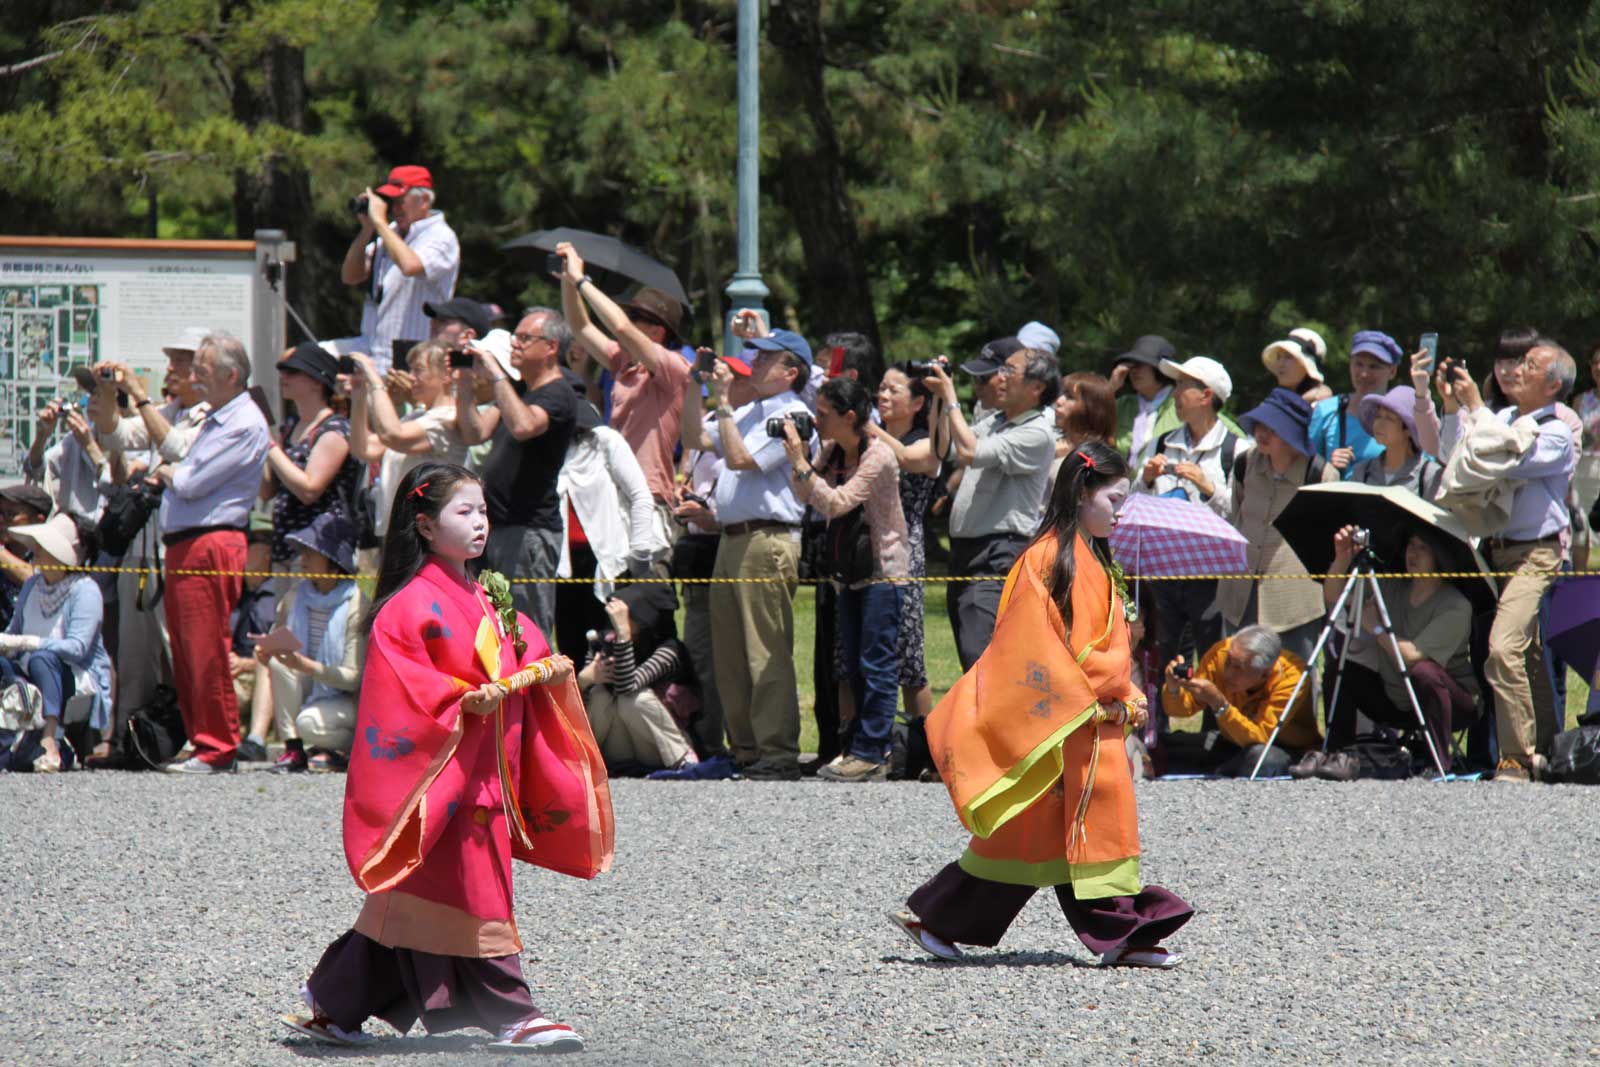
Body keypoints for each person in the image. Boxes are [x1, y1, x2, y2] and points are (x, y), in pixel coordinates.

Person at [284, 462, 610, 1052]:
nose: (481, 523)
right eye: (465, 512)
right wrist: (463, 700)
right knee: (472, 885)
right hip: (444, 770)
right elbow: (403, 689)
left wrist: (544, 667)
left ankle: (334, 1004)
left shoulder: (488, 593)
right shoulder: (407, 606)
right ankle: (513, 1011)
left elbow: (523, 649)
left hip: (484, 764)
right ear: (427, 527)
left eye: (484, 511)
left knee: (410, 899)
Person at [892, 442, 1192, 966]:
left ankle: (941, 919)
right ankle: (1122, 933)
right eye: (1114, 500)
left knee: (1046, 836)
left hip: (1094, 718)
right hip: (1069, 717)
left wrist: (1123, 683)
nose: (1121, 513)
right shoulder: (1047, 557)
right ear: (1081, 493)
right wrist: (1107, 688)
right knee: (1060, 829)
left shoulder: (1093, 554)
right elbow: (1032, 645)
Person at [1437, 342, 1577, 781]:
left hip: (1537, 551)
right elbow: (1453, 453)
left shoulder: (1557, 431)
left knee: (1503, 648)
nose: (1517, 370)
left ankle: (1516, 757)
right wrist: (1452, 407)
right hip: (1495, 551)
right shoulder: (1501, 421)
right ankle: (1551, 754)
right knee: (1529, 655)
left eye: (1530, 366)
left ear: (1553, 384)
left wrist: (1476, 407)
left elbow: (1504, 460)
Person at [679, 329, 814, 780]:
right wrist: (693, 386)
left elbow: (740, 460)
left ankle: (776, 750)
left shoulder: (793, 413)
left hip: (767, 539)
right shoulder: (751, 409)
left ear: (791, 370)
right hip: (732, 538)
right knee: (731, 653)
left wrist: (721, 398)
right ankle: (747, 748)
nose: (754, 363)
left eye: (766, 358)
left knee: (765, 650)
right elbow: (695, 436)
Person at [781, 377, 910, 782]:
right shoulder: (834, 449)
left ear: (849, 416)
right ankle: (857, 747)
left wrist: (802, 464)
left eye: (823, 414)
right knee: (853, 665)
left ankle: (873, 750)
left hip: (882, 573)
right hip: (849, 572)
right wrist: (802, 462)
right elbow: (802, 493)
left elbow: (836, 502)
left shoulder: (879, 456)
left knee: (877, 664)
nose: (816, 420)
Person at [91, 327, 214, 740]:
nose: (173, 368)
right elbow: (115, 436)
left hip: (176, 546)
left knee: (180, 648)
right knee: (134, 649)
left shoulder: (210, 415)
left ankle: (196, 736)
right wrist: (108, 392)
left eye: (182, 360)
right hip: (140, 549)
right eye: (174, 360)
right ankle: (130, 738)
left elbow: (178, 448)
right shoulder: (171, 408)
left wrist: (141, 397)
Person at [158, 332, 271, 774]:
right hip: (188, 542)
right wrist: (174, 470)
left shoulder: (244, 423)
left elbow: (188, 482)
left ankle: (218, 744)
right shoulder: (215, 416)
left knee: (206, 646)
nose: (193, 377)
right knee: (186, 649)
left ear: (231, 375)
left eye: (202, 369)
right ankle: (202, 737)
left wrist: (166, 471)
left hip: (211, 542)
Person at [1296, 526, 1477, 780]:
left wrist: (1376, 629)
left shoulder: (1456, 604)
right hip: (1396, 697)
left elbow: (1413, 656)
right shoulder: (1391, 587)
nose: (1413, 553)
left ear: (1439, 555)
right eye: (1411, 545)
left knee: (1423, 671)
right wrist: (1342, 559)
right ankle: (1338, 755)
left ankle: (1438, 763)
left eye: (1423, 547)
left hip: (1449, 703)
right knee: (1341, 668)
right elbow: (1334, 596)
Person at [455, 309, 580, 638]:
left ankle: (537, 692)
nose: (516, 345)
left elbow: (524, 425)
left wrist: (496, 373)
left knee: (526, 635)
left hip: (528, 532)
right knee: (491, 631)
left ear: (551, 347)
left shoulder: (559, 393)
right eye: (515, 338)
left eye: (525, 338)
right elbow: (474, 432)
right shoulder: (520, 392)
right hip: (496, 529)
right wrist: (465, 383)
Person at [559, 243, 689, 556]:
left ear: (657, 332)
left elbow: (619, 325)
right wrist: (566, 279)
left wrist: (581, 280)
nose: (626, 320)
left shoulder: (673, 368)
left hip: (648, 495)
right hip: (611, 491)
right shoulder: (624, 363)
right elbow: (581, 326)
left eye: (636, 317)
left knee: (645, 590)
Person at [934, 347, 1058, 671]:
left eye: (1010, 371)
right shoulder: (997, 422)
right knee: (968, 651)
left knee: (981, 656)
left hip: (997, 552)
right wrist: (937, 400)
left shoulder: (1036, 432)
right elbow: (948, 449)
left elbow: (970, 451)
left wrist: (950, 396)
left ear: (1036, 387)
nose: (1000, 378)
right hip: (966, 551)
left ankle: (999, 722)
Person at [1133, 356, 1247, 673]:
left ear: (1206, 395)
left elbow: (1242, 514)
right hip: (1164, 567)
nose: (1174, 394)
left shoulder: (1237, 450)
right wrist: (1146, 480)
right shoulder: (1158, 443)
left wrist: (1208, 487)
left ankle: (1214, 721)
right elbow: (1133, 504)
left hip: (1213, 570)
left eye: (1182, 385)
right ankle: (1162, 722)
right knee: (1163, 651)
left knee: (1215, 653)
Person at [672, 353, 759, 759]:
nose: (723, 380)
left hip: (725, 544)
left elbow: (749, 497)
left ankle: (745, 740)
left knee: (739, 653)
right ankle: (708, 741)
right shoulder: (714, 425)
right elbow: (691, 437)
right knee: (700, 652)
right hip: (697, 552)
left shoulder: (753, 428)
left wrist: (711, 517)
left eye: (733, 377)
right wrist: (693, 384)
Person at [1216, 387, 1338, 664]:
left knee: (1294, 679)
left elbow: (1327, 539)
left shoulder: (1320, 473)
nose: (1261, 432)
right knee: (1235, 674)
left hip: (1294, 599)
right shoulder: (1244, 463)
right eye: (1259, 424)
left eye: (1272, 427)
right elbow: (1238, 516)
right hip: (1241, 590)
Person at [868, 362, 946, 775]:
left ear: (917, 402)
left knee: (909, 656)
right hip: (866, 549)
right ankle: (866, 745)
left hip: (907, 549)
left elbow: (907, 458)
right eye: (880, 388)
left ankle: (923, 750)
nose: (882, 395)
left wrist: (864, 427)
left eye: (892, 389)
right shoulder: (866, 441)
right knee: (860, 652)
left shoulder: (924, 441)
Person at [248, 514, 366, 774]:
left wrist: (305, 665)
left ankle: (350, 749)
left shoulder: (356, 602)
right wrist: (266, 650)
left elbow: (354, 678)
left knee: (309, 723)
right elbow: (279, 640)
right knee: (280, 667)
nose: (304, 558)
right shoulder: (296, 595)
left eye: (312, 552)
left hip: (353, 701)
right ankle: (294, 750)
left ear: (334, 561)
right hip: (314, 691)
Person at [553, 391, 663, 664]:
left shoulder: (605, 441)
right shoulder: (545, 448)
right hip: (561, 568)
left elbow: (640, 496)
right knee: (571, 651)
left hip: (608, 565)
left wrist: (640, 556)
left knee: (614, 651)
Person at [0, 514, 112, 773]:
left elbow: (78, 648)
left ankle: (50, 738)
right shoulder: (31, 586)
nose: (36, 551)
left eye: (44, 546)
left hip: (73, 678)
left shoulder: (85, 590)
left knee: (43, 658)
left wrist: (31, 642)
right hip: (29, 671)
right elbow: (13, 632)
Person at [338, 165, 460, 373]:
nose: (395, 208)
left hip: (412, 355)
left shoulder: (441, 236)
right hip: (373, 349)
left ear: (424, 201)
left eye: (400, 201)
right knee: (307, 358)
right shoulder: (391, 233)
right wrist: (367, 230)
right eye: (391, 201)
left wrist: (381, 224)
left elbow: (410, 266)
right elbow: (350, 276)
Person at [1160, 625, 1320, 777]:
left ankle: (1220, 770)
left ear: (1264, 674)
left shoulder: (1292, 678)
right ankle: (1222, 768)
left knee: (1263, 759)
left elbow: (1261, 736)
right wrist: (1174, 689)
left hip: (1279, 746)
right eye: (1228, 662)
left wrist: (1220, 705)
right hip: (1232, 741)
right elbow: (1182, 709)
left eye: (1238, 668)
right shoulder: (1221, 654)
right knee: (1162, 745)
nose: (1228, 672)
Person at [346, 343, 467, 544]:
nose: (411, 377)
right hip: (400, 530)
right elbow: (364, 449)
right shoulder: (417, 416)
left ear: (446, 375)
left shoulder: (449, 417)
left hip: (430, 534)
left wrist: (376, 381)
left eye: (418, 370)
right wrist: (359, 394)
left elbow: (393, 435)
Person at [265, 342, 363, 571]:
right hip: (286, 549)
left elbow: (309, 489)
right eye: (281, 371)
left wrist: (269, 446)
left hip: (319, 551)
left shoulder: (335, 428)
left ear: (317, 382)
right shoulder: (289, 427)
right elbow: (267, 491)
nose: (283, 377)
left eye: (292, 371)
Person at [577, 589, 697, 773]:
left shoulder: (669, 650)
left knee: (633, 699)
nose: (615, 626)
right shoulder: (604, 643)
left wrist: (624, 636)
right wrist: (584, 680)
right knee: (599, 694)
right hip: (617, 746)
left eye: (624, 619)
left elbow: (627, 686)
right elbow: (577, 705)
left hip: (658, 747)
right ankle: (586, 761)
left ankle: (683, 759)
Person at [1307, 330, 1401, 479]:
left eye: (1374, 366)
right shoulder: (1326, 411)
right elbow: (1304, 465)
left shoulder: (1405, 417)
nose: (1364, 373)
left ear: (1392, 371)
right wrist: (1326, 466)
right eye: (1359, 364)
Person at [232, 527, 280, 759]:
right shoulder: (234, 591)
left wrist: (245, 663)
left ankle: (254, 739)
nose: (245, 550)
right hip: (231, 668)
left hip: (258, 670)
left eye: (253, 544)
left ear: (267, 555)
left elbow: (281, 648)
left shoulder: (276, 597)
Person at [1348, 385, 1443, 497]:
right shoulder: (1363, 472)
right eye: (1378, 416)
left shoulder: (1429, 475)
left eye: (1389, 418)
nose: (1379, 423)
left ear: (1408, 429)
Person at [1111, 334, 1179, 469]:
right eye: (1131, 365)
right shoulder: (1122, 405)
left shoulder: (1180, 404)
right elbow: (1086, 423)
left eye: (1141, 364)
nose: (1134, 370)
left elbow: (1221, 425)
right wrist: (1110, 388)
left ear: (1160, 369)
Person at [0, 484, 52, 631]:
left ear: (38, 520)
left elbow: (39, 581)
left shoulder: (52, 555)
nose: (1, 520)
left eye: (11, 514)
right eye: (0, 513)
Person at [1261, 328, 1334, 404]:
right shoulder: (1274, 401)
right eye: (1279, 357)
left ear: (1306, 367)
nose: (1280, 364)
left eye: (1289, 357)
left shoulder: (1320, 407)